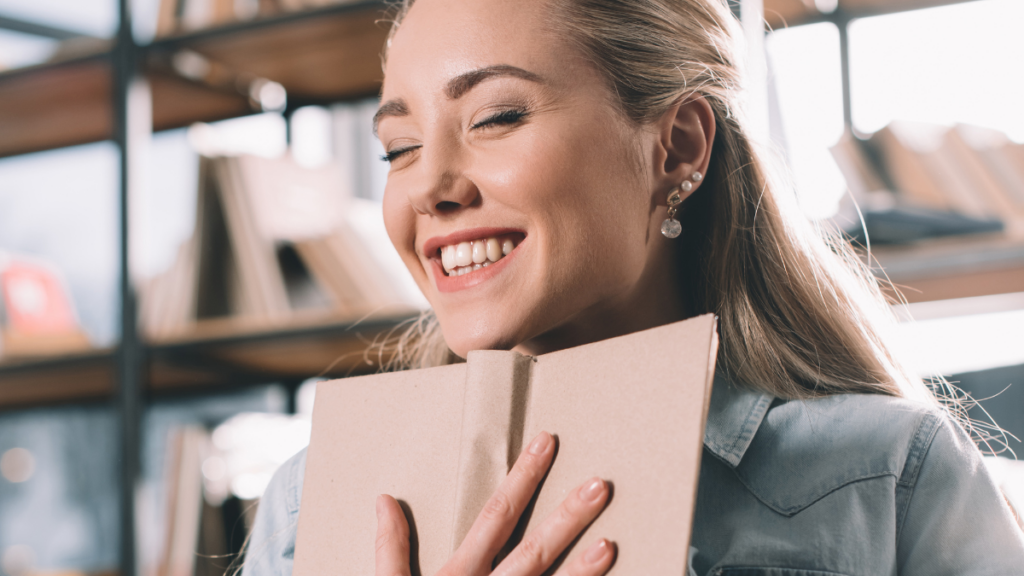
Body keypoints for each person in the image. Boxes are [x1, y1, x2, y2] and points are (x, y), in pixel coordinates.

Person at [242, 0, 1024, 574]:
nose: (428, 188)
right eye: (399, 147)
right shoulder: (307, 502)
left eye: (496, 117)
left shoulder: (890, 474)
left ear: (677, 147)